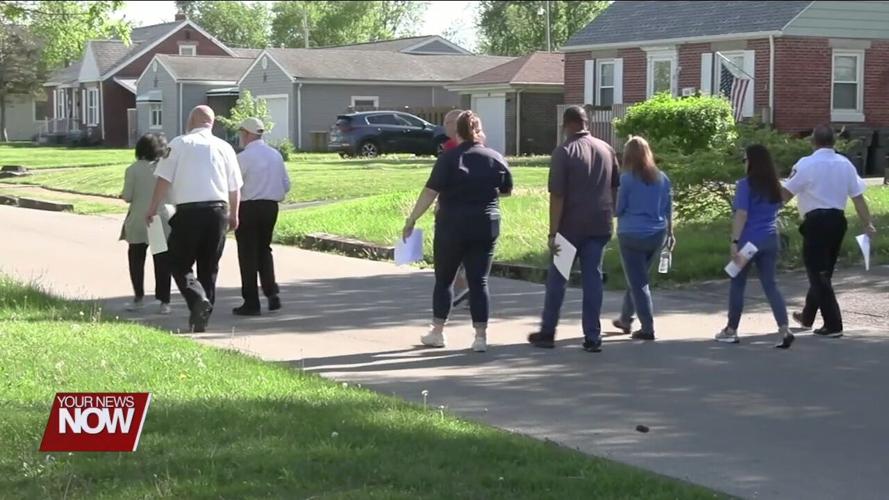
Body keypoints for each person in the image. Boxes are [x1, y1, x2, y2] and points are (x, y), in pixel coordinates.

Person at [403, 110, 512, 352]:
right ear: (478, 129)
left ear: (457, 131)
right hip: (486, 224)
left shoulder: (449, 159)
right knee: (479, 280)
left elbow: (430, 192)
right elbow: (505, 191)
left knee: (444, 279)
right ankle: (480, 337)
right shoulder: (495, 158)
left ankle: (438, 332)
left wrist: (411, 219)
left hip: (452, 224)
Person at [528, 106, 620, 353]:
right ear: (585, 122)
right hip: (599, 224)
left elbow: (557, 194)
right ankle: (593, 336)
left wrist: (552, 231)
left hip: (570, 226)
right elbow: (614, 187)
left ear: (565, 124)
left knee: (558, 279)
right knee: (593, 279)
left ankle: (548, 331)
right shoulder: (607, 149)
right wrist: (609, 213)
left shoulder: (563, 152)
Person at [145, 105, 244, 333]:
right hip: (218, 211)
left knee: (178, 262)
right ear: (212, 123)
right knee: (209, 267)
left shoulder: (178, 144)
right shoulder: (225, 148)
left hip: (189, 212)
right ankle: (201, 318)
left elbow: (163, 179)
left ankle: (197, 299)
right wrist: (234, 214)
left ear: (191, 121)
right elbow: (235, 187)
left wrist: (151, 208)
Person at [782, 125, 876, 337]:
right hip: (837, 221)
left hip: (816, 222)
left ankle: (833, 324)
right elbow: (858, 197)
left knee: (817, 272)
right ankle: (807, 317)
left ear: (812, 141)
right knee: (825, 271)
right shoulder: (845, 164)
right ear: (833, 142)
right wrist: (867, 222)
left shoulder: (806, 164)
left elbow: (786, 193)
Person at [715, 144, 794, 348]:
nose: (744, 163)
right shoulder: (775, 185)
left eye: (745, 159)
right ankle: (784, 328)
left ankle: (731, 329)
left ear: (751, 162)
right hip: (770, 239)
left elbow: (742, 214)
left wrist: (734, 241)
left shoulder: (745, 184)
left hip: (748, 242)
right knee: (770, 285)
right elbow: (781, 204)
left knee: (737, 282)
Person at [611, 136, 673, 341]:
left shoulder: (626, 179)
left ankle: (648, 327)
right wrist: (671, 233)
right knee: (638, 277)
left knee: (639, 282)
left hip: (631, 234)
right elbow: (667, 208)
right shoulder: (662, 178)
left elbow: (618, 210)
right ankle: (625, 318)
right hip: (656, 233)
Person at [232, 117, 291, 316]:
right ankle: (271, 293)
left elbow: (235, 186)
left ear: (247, 134)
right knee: (264, 250)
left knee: (248, 254)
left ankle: (251, 301)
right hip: (270, 207)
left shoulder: (243, 158)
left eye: (241, 133)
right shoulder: (275, 155)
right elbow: (286, 185)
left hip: (248, 207)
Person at [120, 133, 173, 314]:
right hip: (160, 218)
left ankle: (138, 297)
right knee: (162, 262)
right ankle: (164, 301)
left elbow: (127, 196)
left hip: (138, 219)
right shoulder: (165, 169)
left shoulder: (133, 169)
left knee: (136, 259)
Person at [441, 108, 470, 308]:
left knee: (454, 253)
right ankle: (469, 288)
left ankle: (465, 288)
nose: (444, 126)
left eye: (447, 122)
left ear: (455, 124)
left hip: (456, 209)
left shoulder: (453, 147)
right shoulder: (477, 143)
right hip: (476, 209)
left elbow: (443, 181)